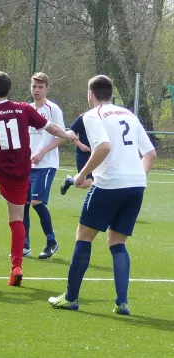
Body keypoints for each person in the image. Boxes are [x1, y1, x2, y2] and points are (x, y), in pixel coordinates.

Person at [48, 75, 156, 314]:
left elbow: (104, 147)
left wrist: (82, 175)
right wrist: (137, 177)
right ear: (111, 93)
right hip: (136, 186)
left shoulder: (92, 115)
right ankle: (122, 303)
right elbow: (150, 154)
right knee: (117, 242)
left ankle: (71, 298)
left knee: (83, 236)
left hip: (109, 185)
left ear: (91, 94)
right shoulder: (129, 114)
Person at [0, 71, 79, 287]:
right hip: (21, 173)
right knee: (16, 218)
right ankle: (16, 267)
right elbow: (49, 127)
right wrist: (67, 135)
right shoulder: (23, 109)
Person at [23, 72, 90, 259]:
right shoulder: (27, 109)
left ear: (47, 88)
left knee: (36, 202)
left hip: (46, 164)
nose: (36, 90)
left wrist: (42, 152)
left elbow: (62, 136)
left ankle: (51, 242)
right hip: (28, 165)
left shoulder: (53, 109)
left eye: (40, 87)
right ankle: (25, 244)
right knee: (23, 204)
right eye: (34, 86)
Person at [60, 114, 93, 195]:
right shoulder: (84, 117)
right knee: (84, 184)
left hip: (100, 153)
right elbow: (70, 132)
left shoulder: (106, 117)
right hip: (84, 154)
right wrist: (80, 145)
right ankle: (69, 181)